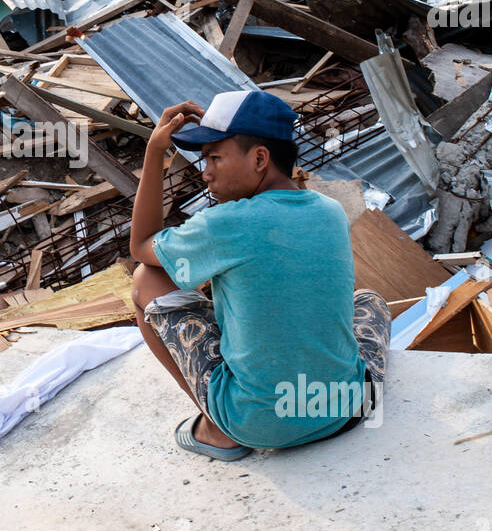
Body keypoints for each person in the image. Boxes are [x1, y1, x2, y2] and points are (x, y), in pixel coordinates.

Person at [130, 90, 390, 461]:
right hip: (347, 409)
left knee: (146, 279)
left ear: (260, 158)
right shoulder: (331, 210)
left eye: (215, 158)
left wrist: (154, 152)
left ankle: (219, 429)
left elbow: (140, 243)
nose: (205, 173)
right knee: (368, 300)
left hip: (260, 422)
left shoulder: (226, 224)